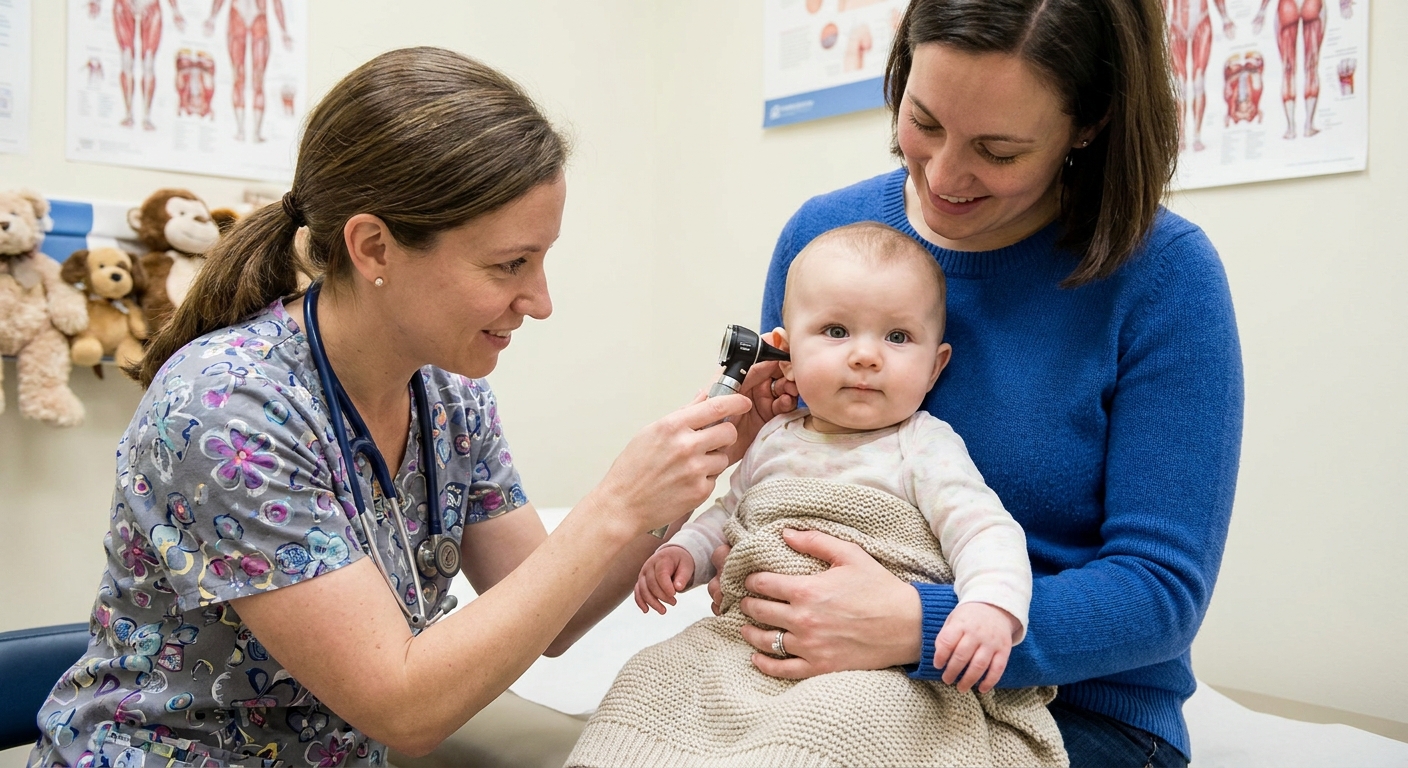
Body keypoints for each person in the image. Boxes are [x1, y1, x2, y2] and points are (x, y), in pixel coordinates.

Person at [29, 47, 776, 768]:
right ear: (375, 248)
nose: (540, 302)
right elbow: (405, 710)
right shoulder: (229, 410)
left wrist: (688, 470)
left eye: (543, 259)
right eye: (509, 264)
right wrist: (616, 500)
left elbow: (554, 614)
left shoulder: (448, 394)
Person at [714, 2, 1244, 767]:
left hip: (1078, 710)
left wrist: (916, 625)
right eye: (923, 121)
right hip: (817, 673)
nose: (943, 174)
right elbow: (779, 466)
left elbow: (1160, 591)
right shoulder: (823, 238)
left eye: (997, 151)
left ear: (1087, 125)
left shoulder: (1164, 275)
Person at [636, 223, 1033, 696]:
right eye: (837, 331)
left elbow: (984, 531)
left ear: (935, 367)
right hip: (755, 640)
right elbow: (729, 515)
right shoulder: (772, 439)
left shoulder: (924, 446)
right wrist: (683, 552)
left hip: (872, 666)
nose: (866, 355)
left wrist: (988, 607)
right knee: (649, 681)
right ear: (784, 357)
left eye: (899, 337)